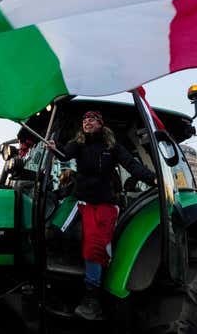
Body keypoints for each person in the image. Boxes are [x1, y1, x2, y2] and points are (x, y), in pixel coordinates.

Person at [47, 111, 156, 320]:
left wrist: (153, 179)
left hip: (104, 203)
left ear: (100, 124)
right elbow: (65, 154)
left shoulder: (111, 147)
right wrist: (54, 148)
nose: (86, 122)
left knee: (94, 247)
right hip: (80, 198)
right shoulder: (78, 143)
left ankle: (92, 298)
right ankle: (55, 278)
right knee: (54, 227)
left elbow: (131, 165)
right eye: (84, 119)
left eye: (91, 119)